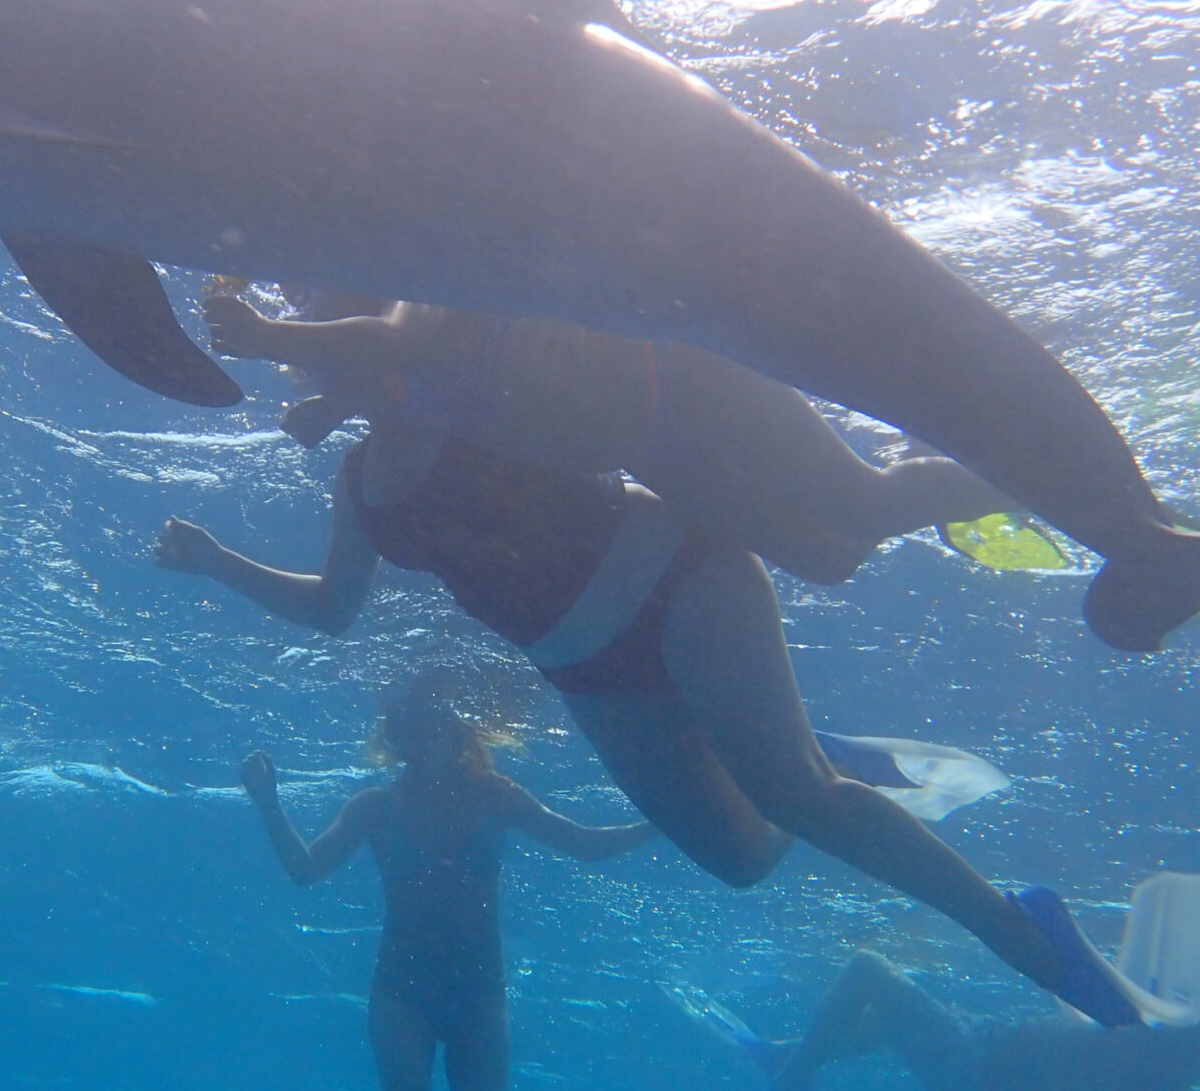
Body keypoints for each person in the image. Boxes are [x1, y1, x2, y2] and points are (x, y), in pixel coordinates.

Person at [154, 411, 1147, 1026]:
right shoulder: (360, 483)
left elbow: (636, 425)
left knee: (797, 794)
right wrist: (214, 561)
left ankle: (1020, 932)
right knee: (744, 857)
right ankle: (777, 738)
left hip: (677, 572)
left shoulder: (474, 380)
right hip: (589, 666)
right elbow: (333, 607)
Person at [238, 678, 654, 1091]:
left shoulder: (495, 795)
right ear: (399, 740)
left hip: (478, 996)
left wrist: (662, 821)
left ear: (455, 731)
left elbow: (582, 842)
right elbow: (306, 870)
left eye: (433, 724)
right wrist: (267, 804)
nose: (423, 738)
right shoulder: (376, 807)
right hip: (400, 993)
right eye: (409, 728)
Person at [205, 285, 1010, 585]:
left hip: (685, 386)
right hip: (652, 451)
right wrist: (323, 403)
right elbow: (378, 374)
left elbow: (382, 347)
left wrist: (270, 337)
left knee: (860, 508)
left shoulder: (430, 308)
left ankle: (1031, 473)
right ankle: (936, 471)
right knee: (828, 559)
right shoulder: (394, 379)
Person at [686, 949, 1200, 1091]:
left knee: (870, 971)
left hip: (981, 1066)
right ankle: (786, 1055)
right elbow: (1199, 1067)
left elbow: (1095, 1013)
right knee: (890, 1022)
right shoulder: (1187, 1054)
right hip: (989, 1076)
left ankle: (791, 1080)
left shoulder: (1162, 1041)